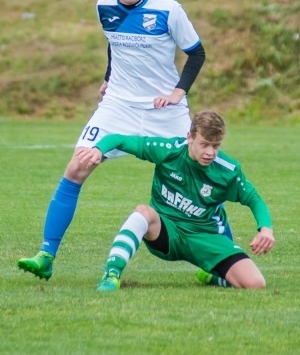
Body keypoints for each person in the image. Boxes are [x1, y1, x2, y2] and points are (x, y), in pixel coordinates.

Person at [17, 0, 233, 280]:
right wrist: (108, 78)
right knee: (77, 165)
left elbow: (196, 52)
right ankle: (46, 255)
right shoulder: (104, 6)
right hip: (118, 106)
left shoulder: (168, 9)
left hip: (165, 111)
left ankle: (221, 261)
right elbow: (114, 42)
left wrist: (179, 92)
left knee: (199, 175)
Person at [77, 110, 275, 291]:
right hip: (166, 232)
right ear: (190, 137)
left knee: (256, 284)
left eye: (216, 146)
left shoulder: (228, 170)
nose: (210, 153)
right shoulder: (169, 150)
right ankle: (111, 274)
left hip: (205, 237)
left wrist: (265, 229)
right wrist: (98, 149)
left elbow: (254, 199)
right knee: (143, 212)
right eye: (204, 144)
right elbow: (119, 139)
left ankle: (212, 276)